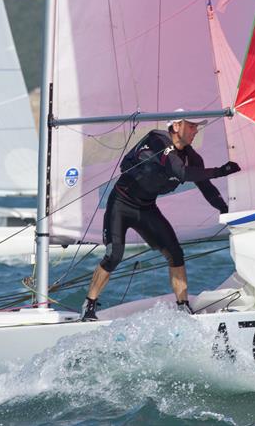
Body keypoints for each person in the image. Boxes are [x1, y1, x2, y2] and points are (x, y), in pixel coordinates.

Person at [81, 110, 241, 321]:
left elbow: (207, 188)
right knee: (114, 255)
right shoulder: (157, 140)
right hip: (120, 204)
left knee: (175, 254)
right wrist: (220, 171)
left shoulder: (192, 158)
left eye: (196, 126)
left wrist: (226, 211)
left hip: (146, 208)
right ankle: (88, 307)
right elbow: (179, 172)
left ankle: (183, 308)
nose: (196, 130)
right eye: (191, 126)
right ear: (176, 127)